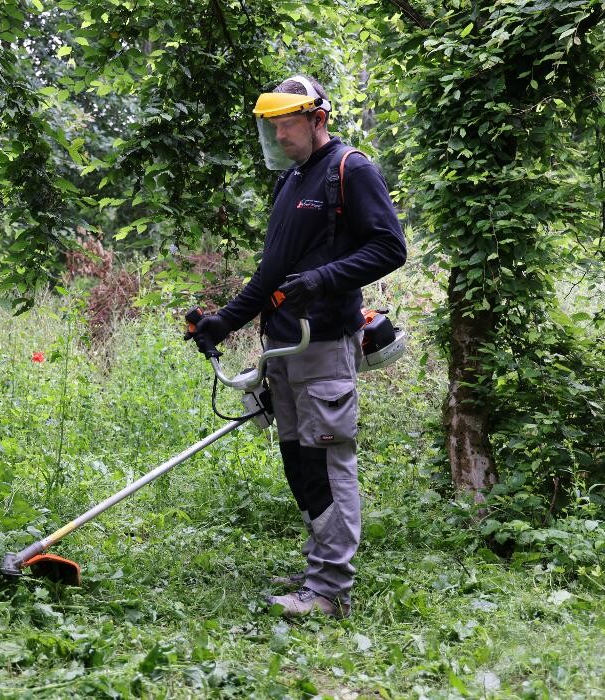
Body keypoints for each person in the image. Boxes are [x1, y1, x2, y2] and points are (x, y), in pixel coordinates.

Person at [191, 75, 406, 618]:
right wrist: (221, 323)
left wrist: (325, 278)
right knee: (297, 462)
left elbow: (389, 246)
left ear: (317, 119)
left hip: (324, 342)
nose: (280, 137)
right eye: (273, 128)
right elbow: (269, 277)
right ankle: (319, 565)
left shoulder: (349, 170)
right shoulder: (291, 181)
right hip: (282, 347)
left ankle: (331, 590)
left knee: (327, 464)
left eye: (287, 125)